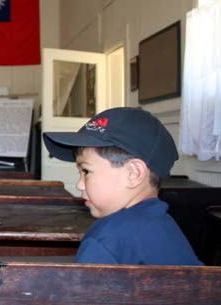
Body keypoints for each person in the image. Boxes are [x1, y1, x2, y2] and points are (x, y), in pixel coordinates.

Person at [43, 107, 202, 265]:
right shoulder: (165, 226)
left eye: (86, 171)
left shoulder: (105, 240)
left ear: (133, 174)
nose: (79, 185)